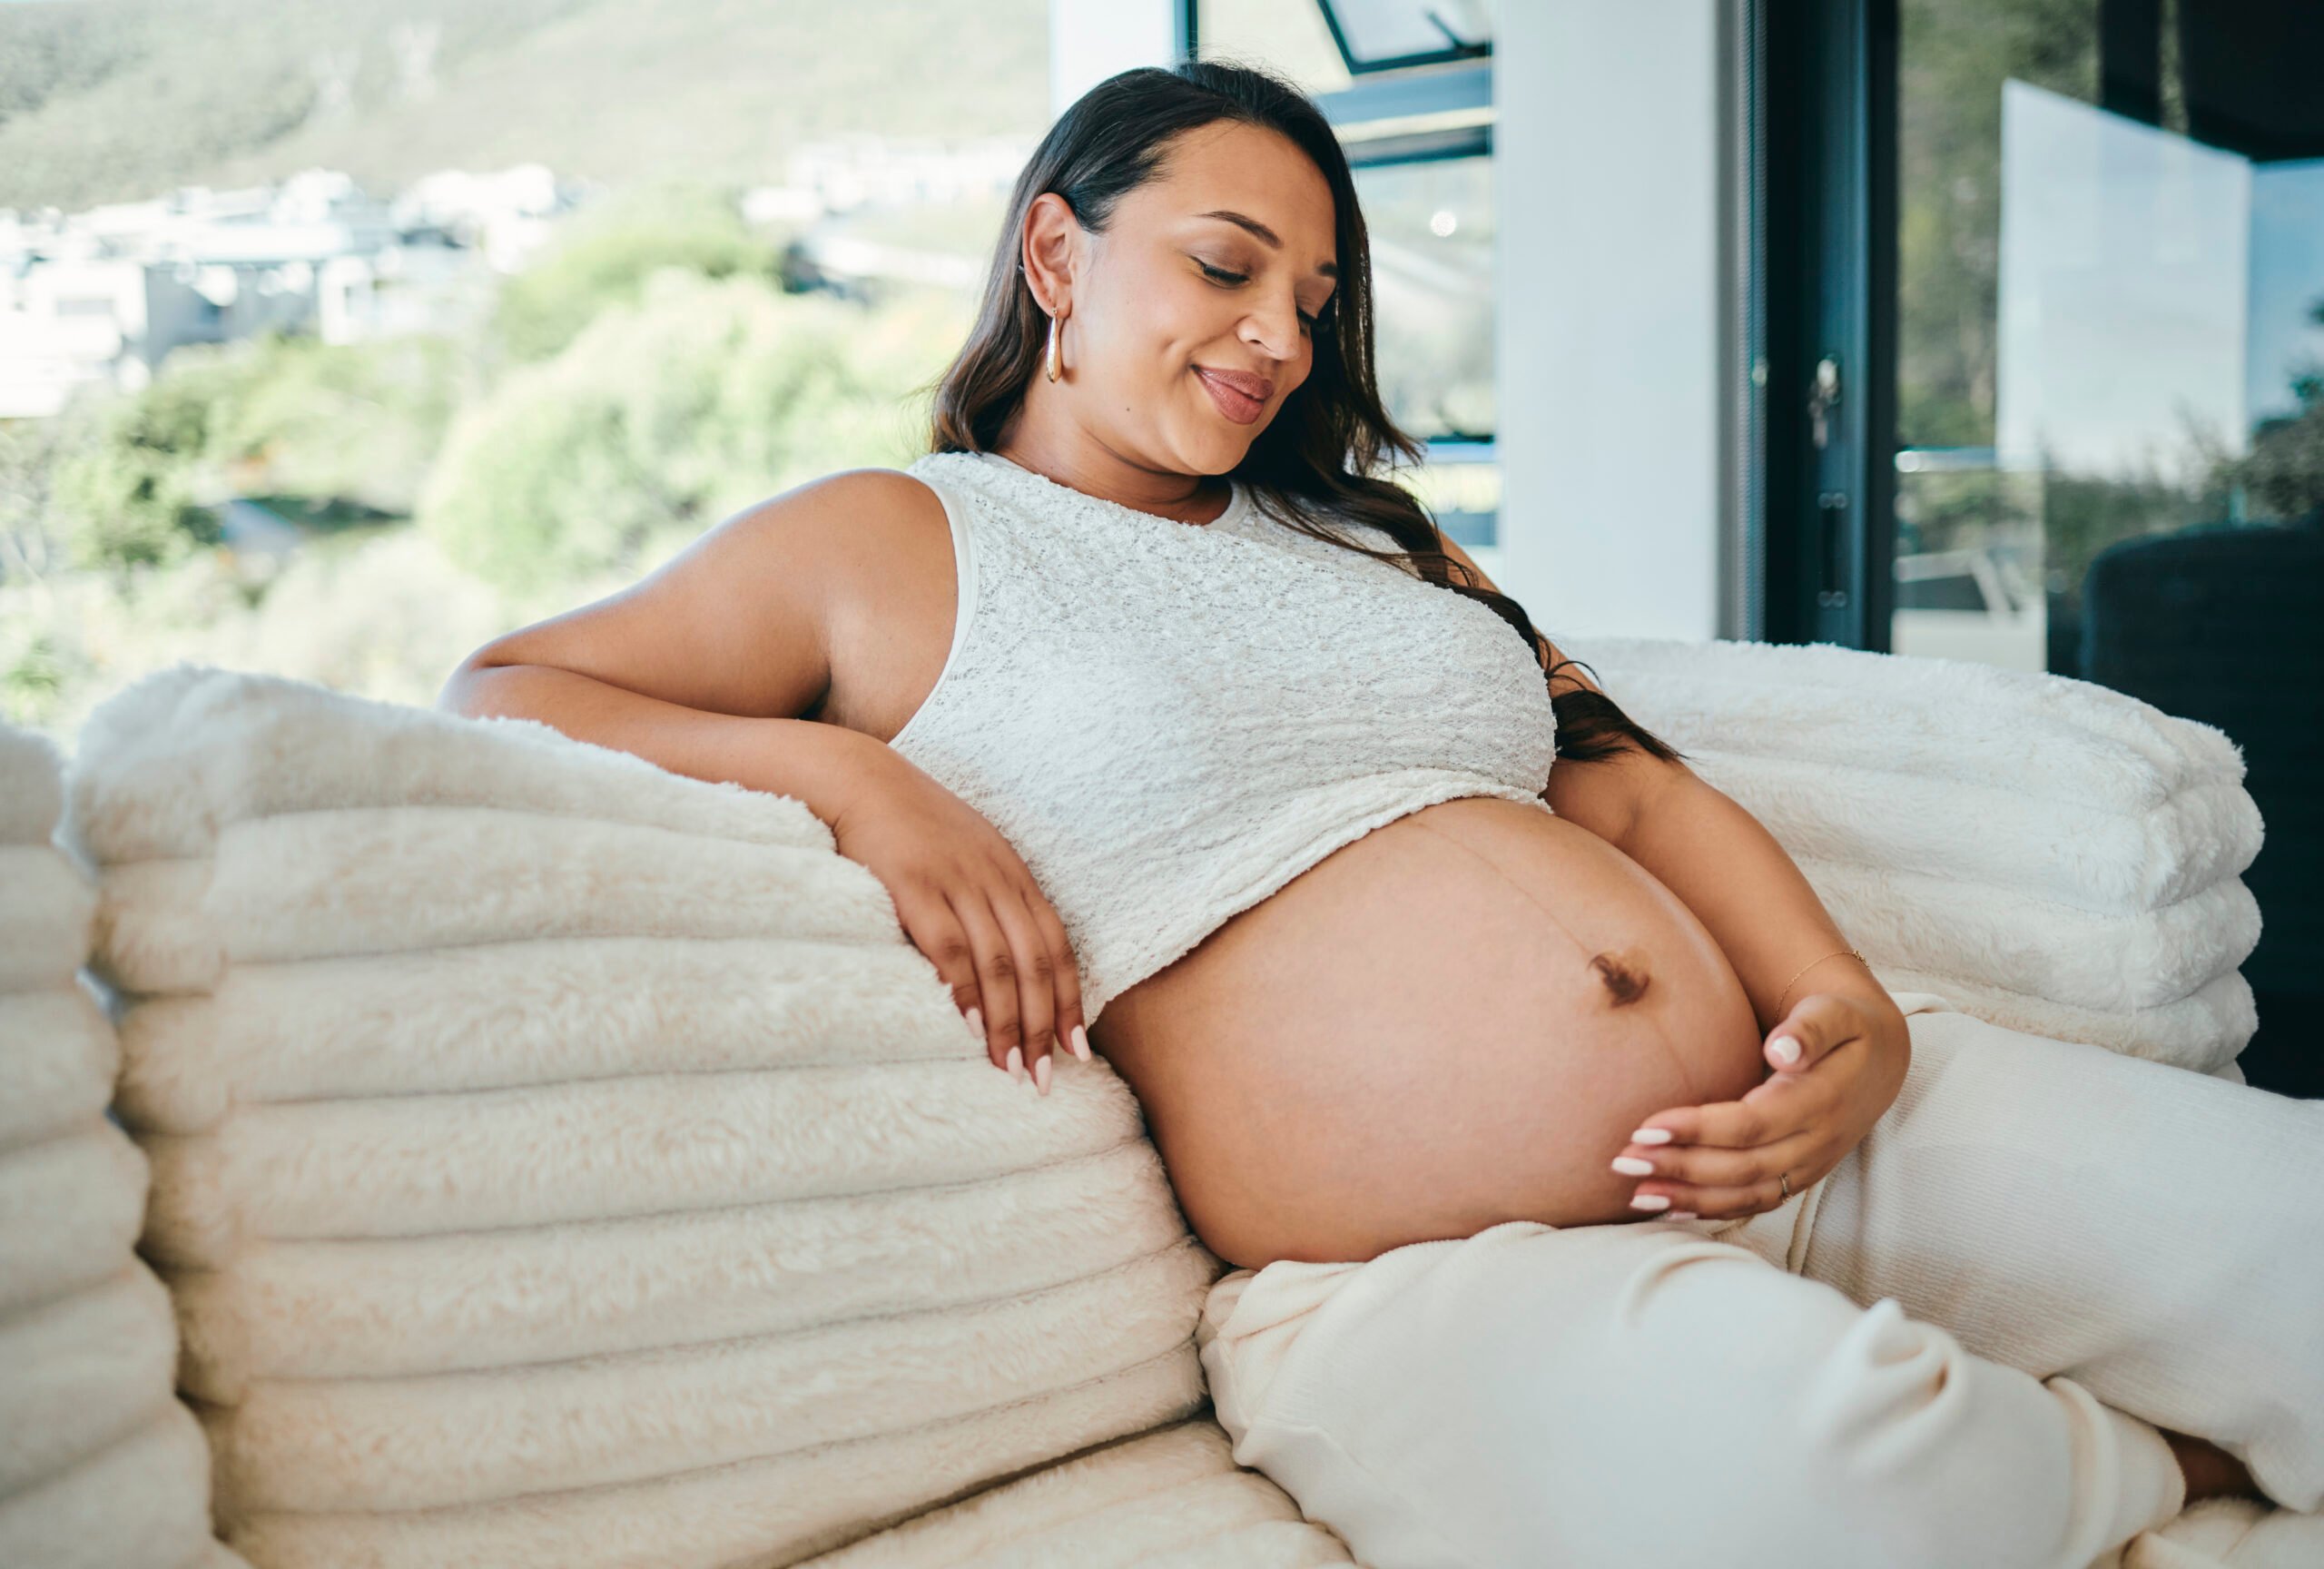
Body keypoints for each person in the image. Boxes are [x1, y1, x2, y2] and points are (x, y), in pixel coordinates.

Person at [440, 59, 2321, 1569]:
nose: (1274, 335)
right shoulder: (892, 538)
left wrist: (1845, 1010)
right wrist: (853, 775)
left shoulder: (1378, 538)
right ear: (1054, 256)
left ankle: (2044, 1428)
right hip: (1417, 1283)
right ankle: (2139, 1467)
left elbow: (1626, 784)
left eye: (1313, 299)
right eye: (1224, 266)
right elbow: (508, 683)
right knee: (1838, 1502)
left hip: (1775, 1135)